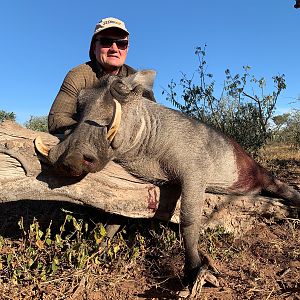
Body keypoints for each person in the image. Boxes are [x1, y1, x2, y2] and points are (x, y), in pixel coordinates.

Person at [48, 17, 155, 135]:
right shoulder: (78, 75)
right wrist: (94, 133)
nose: (114, 49)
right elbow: (56, 119)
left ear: (127, 49)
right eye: (106, 42)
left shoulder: (138, 79)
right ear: (94, 47)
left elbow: (153, 123)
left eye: (121, 43)